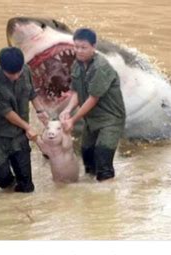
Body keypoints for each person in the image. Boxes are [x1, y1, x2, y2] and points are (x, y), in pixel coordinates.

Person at [59, 28, 126, 181]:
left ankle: (106, 197)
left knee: (103, 157)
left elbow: (93, 98)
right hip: (91, 119)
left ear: (94, 47)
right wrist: (68, 110)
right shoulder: (77, 65)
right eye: (76, 47)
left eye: (83, 47)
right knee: (87, 156)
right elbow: (76, 91)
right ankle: (90, 193)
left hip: (110, 120)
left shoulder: (100, 67)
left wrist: (72, 121)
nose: (79, 51)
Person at [0, 47, 49, 193]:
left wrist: (40, 110)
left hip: (19, 133)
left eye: (18, 72)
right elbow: (7, 112)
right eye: (10, 74)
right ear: (2, 68)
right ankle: (9, 188)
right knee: (1, 175)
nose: (15, 77)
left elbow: (31, 93)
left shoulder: (26, 70)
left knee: (26, 185)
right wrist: (28, 127)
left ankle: (20, 202)